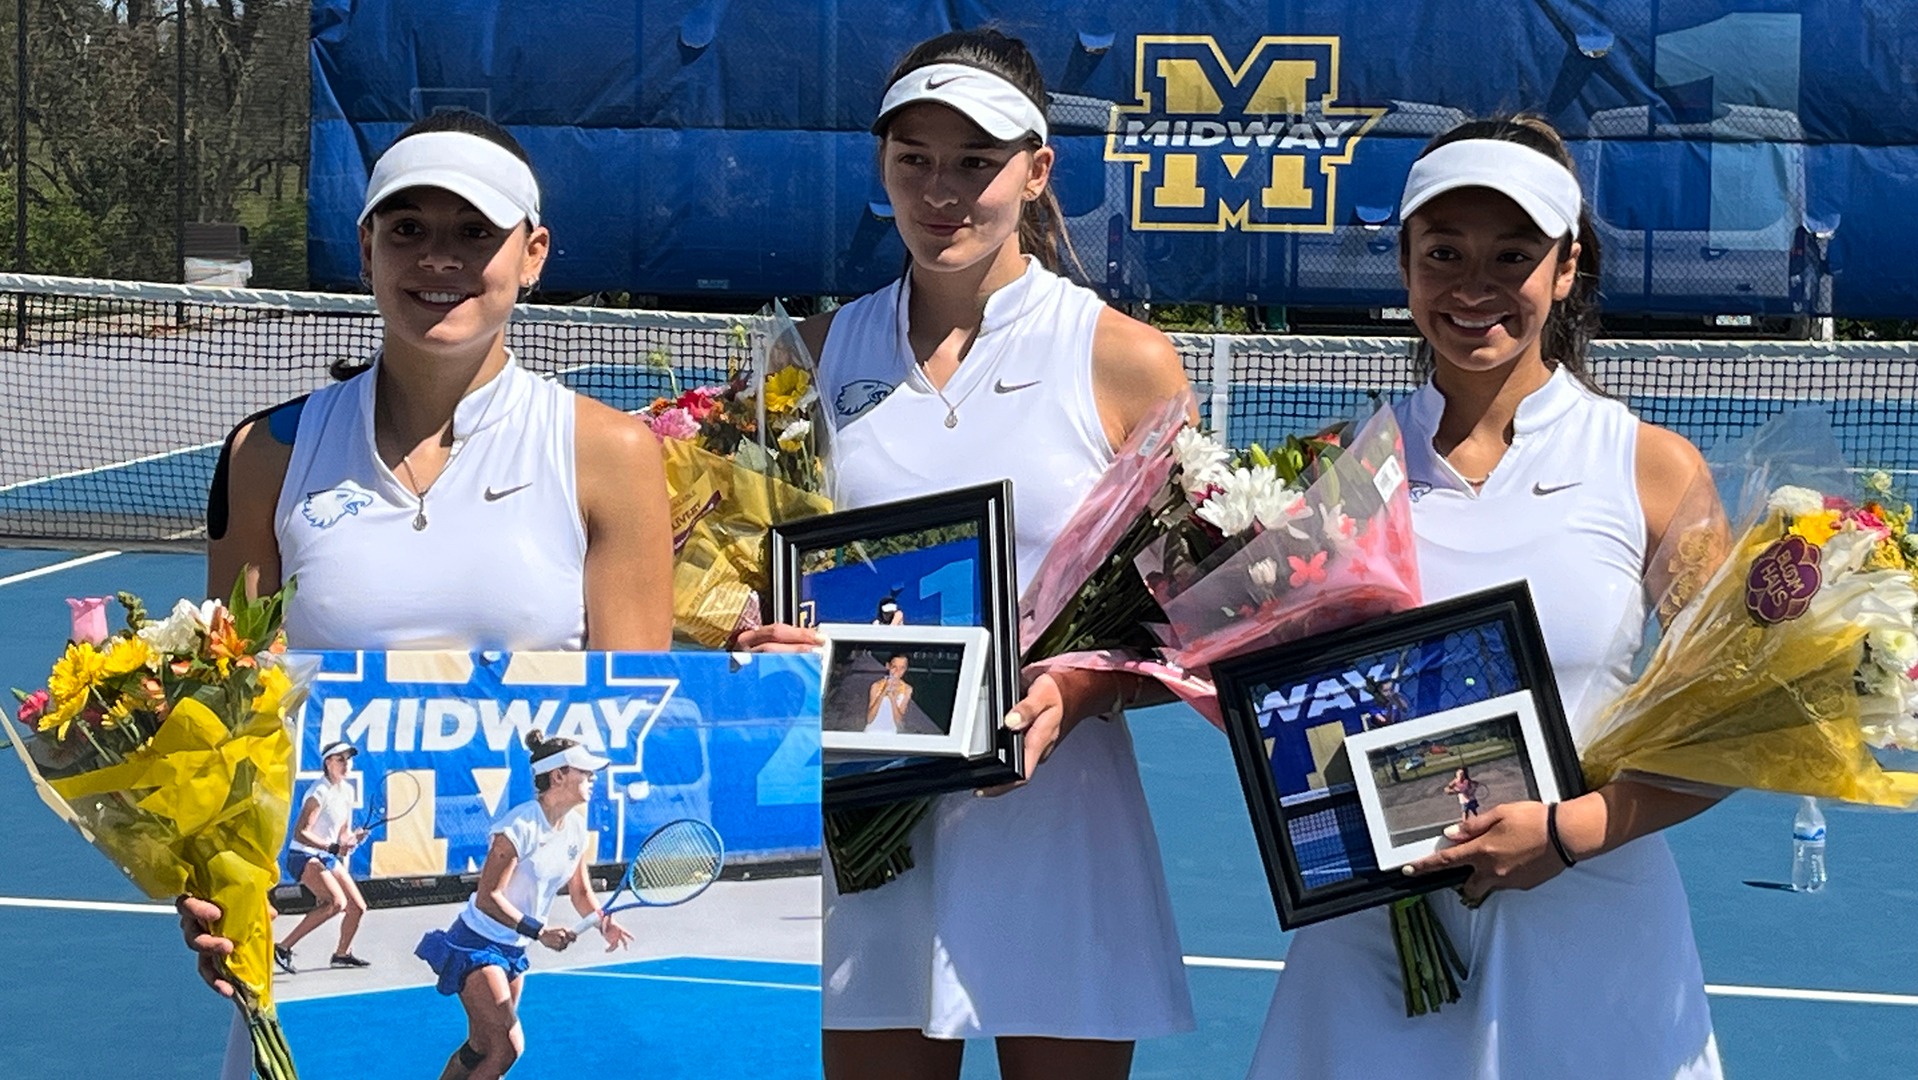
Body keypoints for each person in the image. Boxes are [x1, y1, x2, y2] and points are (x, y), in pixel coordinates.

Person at [738, 28, 1195, 1080]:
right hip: (862, 832)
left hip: (1055, 818)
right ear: (882, 168)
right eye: (915, 161)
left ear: (1036, 172)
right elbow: (745, 578)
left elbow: (1184, 621)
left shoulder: (1124, 359)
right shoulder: (804, 357)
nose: (943, 192)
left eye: (976, 163)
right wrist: (759, 642)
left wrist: (1076, 691)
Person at [178, 107, 673, 1078]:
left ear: (532, 255)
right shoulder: (266, 457)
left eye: (472, 233)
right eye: (408, 229)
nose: (436, 259)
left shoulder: (612, 457)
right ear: (366, 247)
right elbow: (228, 727)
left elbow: (615, 724)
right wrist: (210, 883)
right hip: (314, 989)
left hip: (505, 930)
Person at [1245, 116, 1723, 1079]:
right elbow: (1283, 700)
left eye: (1513, 255)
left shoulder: (1652, 468)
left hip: (1591, 935)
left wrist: (1566, 832)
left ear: (1566, 265)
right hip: (1377, 942)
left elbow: (1735, 720)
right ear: (1405, 263)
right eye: (1444, 253)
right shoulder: (1339, 468)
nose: (1474, 287)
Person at [413, 730, 635, 1079]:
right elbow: (488, 898)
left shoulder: (575, 828)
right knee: (507, 1048)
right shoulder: (519, 826)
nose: (593, 778)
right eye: (584, 771)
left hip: (513, 951)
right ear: (558, 775)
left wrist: (603, 922)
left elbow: (580, 893)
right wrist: (541, 931)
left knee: (481, 1047)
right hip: (477, 943)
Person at [274, 740, 373, 973]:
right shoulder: (318, 791)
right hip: (303, 855)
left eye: (348, 759)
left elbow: (343, 833)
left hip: (325, 855)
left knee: (358, 907)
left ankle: (342, 954)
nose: (346, 763)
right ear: (328, 763)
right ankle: (283, 947)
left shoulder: (347, 792)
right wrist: (332, 848)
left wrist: (353, 839)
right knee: (335, 903)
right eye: (340, 759)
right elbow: (301, 833)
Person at [866, 652, 914, 733]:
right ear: (888, 666)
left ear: (906, 669)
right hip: (872, 731)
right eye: (894, 667)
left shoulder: (907, 689)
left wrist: (892, 698)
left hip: (891, 733)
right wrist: (883, 692)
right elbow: (869, 719)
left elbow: (899, 722)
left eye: (902, 668)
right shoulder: (876, 686)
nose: (897, 671)